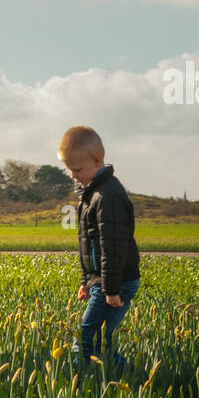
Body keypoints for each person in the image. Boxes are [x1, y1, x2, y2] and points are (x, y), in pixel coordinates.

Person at [57, 126, 141, 367]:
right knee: (99, 339)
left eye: (77, 169)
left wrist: (111, 290)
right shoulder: (90, 195)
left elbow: (112, 248)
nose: (73, 175)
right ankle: (106, 377)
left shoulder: (108, 197)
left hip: (116, 282)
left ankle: (101, 378)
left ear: (97, 160)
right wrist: (87, 281)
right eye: (69, 170)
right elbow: (87, 245)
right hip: (102, 282)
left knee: (87, 337)